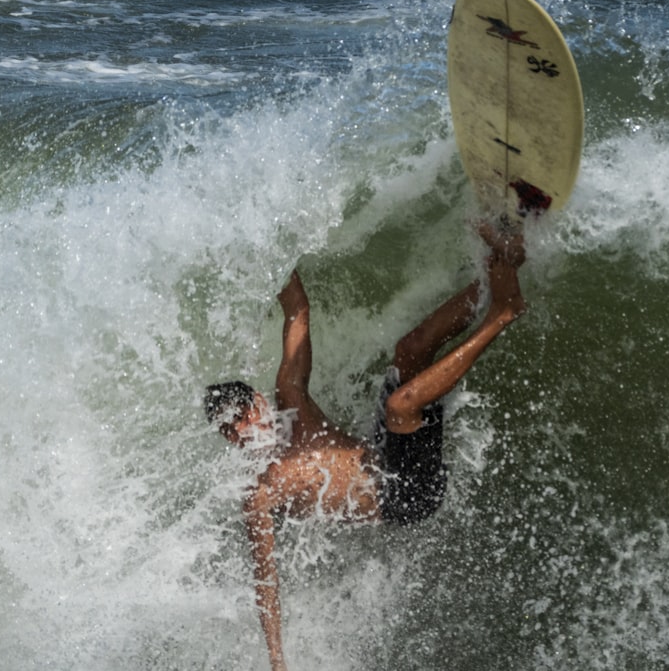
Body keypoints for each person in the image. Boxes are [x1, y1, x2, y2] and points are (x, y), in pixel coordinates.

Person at [203, 222, 526, 671]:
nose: (241, 431)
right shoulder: (262, 493)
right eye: (230, 431)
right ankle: (504, 313)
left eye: (242, 417)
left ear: (258, 402)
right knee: (399, 404)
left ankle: (499, 271)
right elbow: (266, 582)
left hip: (390, 451)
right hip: (407, 497)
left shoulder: (291, 396)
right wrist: (277, 662)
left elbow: (297, 310)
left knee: (410, 349)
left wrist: (265, 240)